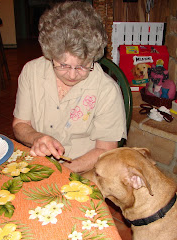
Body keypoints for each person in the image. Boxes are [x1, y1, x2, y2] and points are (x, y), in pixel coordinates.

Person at [12, 1, 126, 173]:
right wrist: (37, 138)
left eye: (83, 66)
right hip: (37, 164)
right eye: (63, 65)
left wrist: (60, 171)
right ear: (50, 54)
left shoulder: (107, 90)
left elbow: (105, 151)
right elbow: (20, 124)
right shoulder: (31, 72)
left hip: (83, 171)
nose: (72, 75)